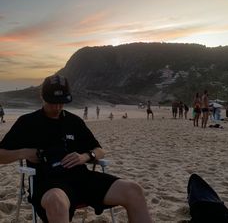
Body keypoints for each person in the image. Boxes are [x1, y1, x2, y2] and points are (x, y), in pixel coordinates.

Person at [0, 75, 152, 223]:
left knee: (134, 191)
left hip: (82, 179)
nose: (58, 107)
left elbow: (99, 150)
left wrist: (85, 156)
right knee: (57, 202)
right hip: (49, 184)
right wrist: (23, 153)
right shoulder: (27, 123)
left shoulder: (74, 122)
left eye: (62, 102)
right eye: (53, 102)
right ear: (43, 97)